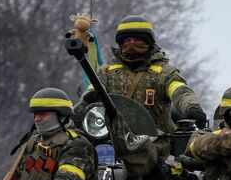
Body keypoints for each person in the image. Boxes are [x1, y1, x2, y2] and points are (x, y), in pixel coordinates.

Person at [75, 14, 207, 156]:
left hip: (155, 146)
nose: (132, 44)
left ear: (148, 42)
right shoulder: (106, 72)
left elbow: (180, 91)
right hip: (111, 143)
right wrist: (73, 114)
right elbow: (88, 96)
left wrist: (192, 107)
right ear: (120, 43)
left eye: (138, 40)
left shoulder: (163, 73)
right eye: (127, 40)